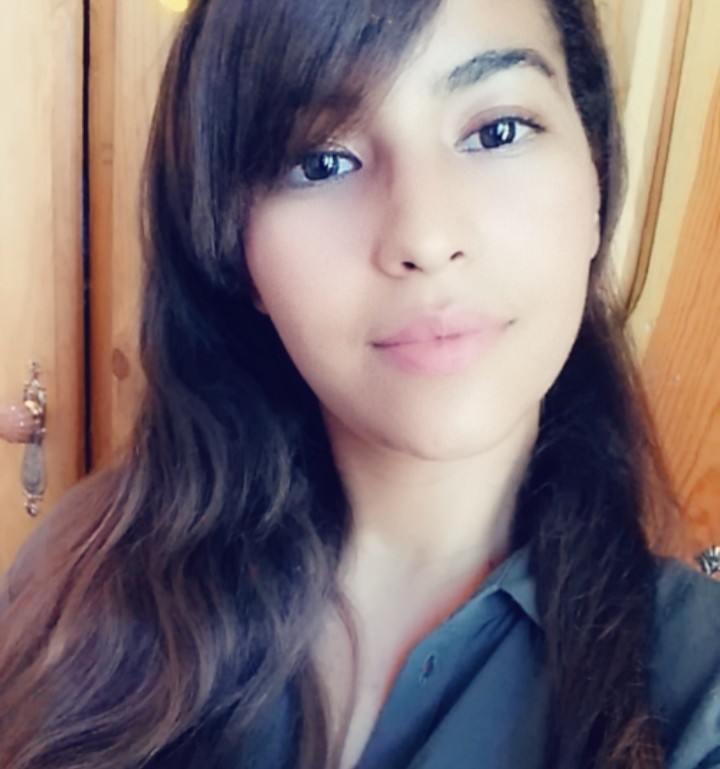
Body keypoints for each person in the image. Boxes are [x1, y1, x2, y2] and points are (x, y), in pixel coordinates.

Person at [1, 0, 719, 767]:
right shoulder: (79, 580)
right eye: (322, 162)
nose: (425, 236)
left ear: (597, 178)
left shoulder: (696, 688)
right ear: (234, 250)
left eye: (498, 130)